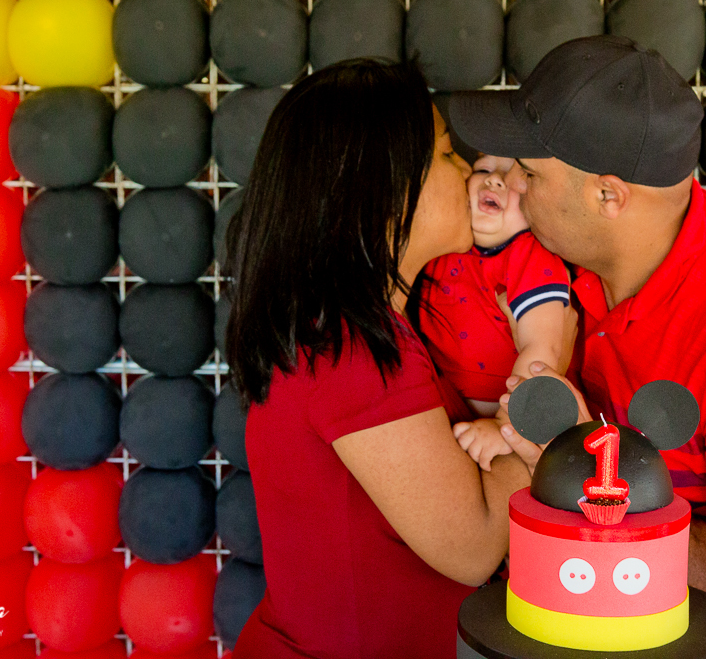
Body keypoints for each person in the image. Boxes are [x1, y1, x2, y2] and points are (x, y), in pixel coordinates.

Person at [446, 35, 706, 659]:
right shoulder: (565, 260)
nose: (511, 187)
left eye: (530, 174)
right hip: (612, 623)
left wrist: (580, 475)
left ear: (608, 196)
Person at [225, 59, 533, 659]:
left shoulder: (352, 330)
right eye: (447, 154)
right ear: (383, 192)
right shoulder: (349, 349)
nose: (469, 171)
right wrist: (534, 426)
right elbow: (473, 546)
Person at [417, 152, 572, 471]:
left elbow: (542, 348)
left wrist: (509, 423)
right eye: (484, 169)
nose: (495, 179)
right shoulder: (442, 246)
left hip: (507, 415)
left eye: (514, 175)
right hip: (441, 409)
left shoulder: (529, 257)